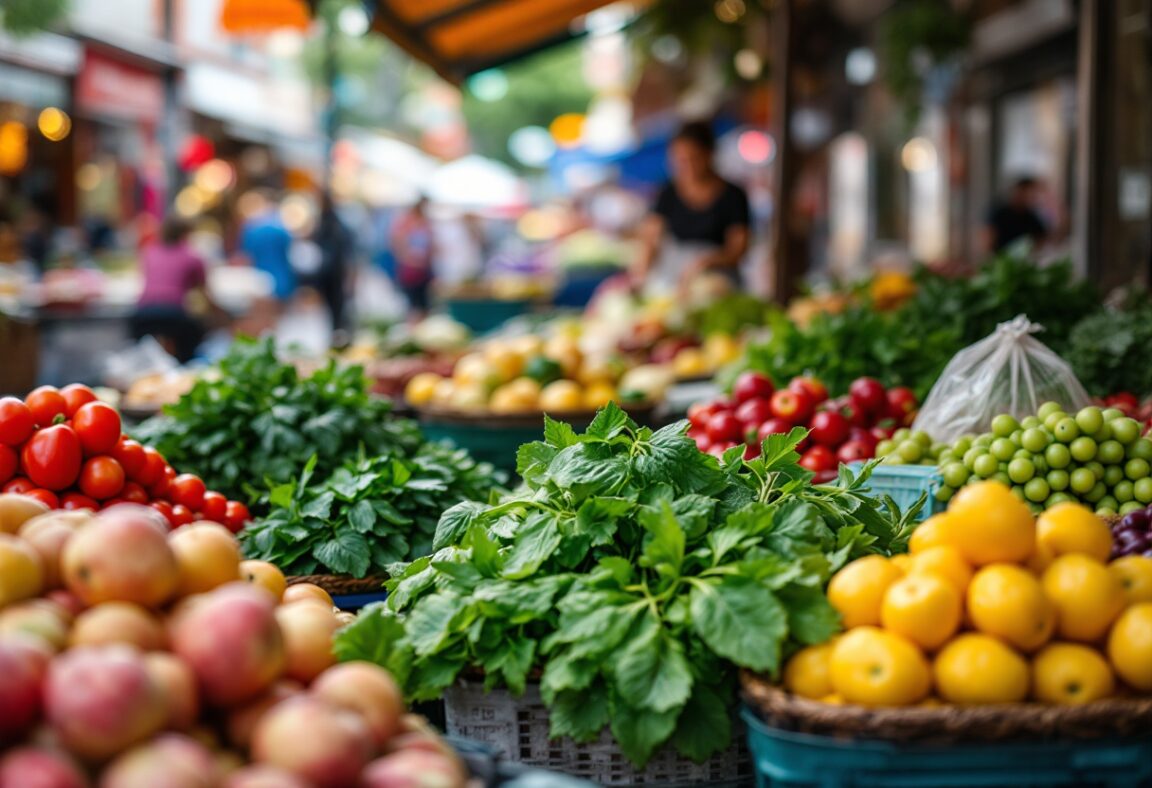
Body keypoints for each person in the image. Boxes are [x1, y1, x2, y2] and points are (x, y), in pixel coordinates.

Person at [633, 121, 751, 294]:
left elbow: (738, 248)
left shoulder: (733, 195)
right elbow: (651, 238)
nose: (687, 166)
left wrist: (707, 262)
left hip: (718, 281)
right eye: (680, 160)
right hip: (675, 279)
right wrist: (640, 273)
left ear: (710, 154)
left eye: (694, 158)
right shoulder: (668, 193)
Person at [131, 216, 217, 362]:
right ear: (186, 234)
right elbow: (205, 292)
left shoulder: (149, 252)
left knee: (145, 356)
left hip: (142, 314)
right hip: (174, 314)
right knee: (191, 349)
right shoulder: (192, 257)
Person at [238, 191, 296, 304]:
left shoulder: (251, 228)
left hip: (260, 280)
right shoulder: (282, 227)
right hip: (282, 277)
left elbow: (246, 255)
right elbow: (291, 251)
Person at [312, 196, 355, 345]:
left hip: (333, 275)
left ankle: (339, 338)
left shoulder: (332, 225)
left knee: (337, 308)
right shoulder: (332, 223)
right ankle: (337, 337)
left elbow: (346, 253)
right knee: (335, 309)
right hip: (331, 275)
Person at [390, 197, 435, 317]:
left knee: (425, 304)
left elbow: (430, 246)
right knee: (413, 306)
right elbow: (398, 245)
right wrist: (411, 259)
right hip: (410, 271)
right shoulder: (405, 223)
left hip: (423, 271)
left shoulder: (425, 223)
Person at [982, 176, 1049, 254]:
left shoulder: (1031, 215)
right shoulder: (999, 212)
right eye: (1027, 193)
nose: (1030, 197)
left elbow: (1042, 238)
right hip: (1000, 258)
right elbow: (987, 239)